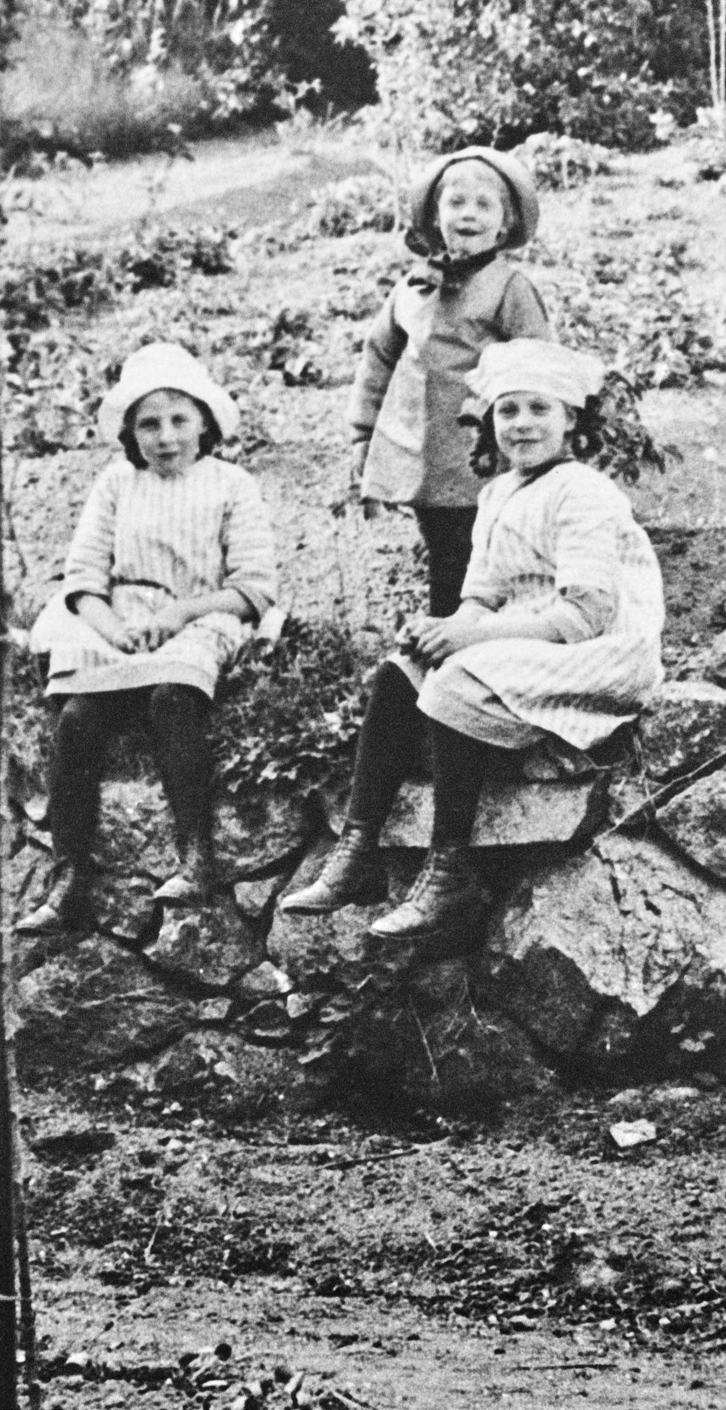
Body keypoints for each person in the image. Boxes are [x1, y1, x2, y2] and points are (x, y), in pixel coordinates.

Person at [283, 339, 664, 939]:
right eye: (508, 411)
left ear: (572, 421)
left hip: (599, 650)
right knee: (399, 671)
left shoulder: (583, 492)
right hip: (526, 638)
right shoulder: (497, 494)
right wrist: (451, 628)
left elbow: (583, 614)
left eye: (540, 409)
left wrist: (472, 640)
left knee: (459, 677)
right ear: (489, 422)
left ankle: (448, 872)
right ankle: (356, 851)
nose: (523, 424)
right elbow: (480, 596)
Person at [19, 342, 280, 931]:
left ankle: (196, 858)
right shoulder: (115, 485)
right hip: (123, 617)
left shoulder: (232, 484)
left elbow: (253, 587)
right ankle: (68, 882)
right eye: (149, 424)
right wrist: (112, 627)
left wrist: (179, 615)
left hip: (200, 612)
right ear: (130, 434)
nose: (165, 437)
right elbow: (83, 578)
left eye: (179, 420)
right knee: (80, 717)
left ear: (205, 423)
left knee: (171, 698)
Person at [345, 146, 553, 617]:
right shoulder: (413, 289)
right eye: (456, 203)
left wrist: (536, 435)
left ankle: (480, 630)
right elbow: (379, 355)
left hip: (486, 453)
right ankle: (447, 634)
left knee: (483, 547)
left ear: (504, 224)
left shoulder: (508, 289)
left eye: (484, 205)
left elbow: (539, 361)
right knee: (443, 546)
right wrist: (362, 432)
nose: (468, 215)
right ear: (436, 217)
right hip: (427, 453)